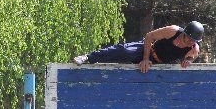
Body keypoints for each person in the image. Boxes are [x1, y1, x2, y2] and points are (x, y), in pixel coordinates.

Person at [73, 21, 204, 73]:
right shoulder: (172, 31)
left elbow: (191, 59)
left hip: (158, 64)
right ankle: (88, 57)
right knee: (124, 51)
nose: (190, 43)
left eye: (194, 41)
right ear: (184, 34)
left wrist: (188, 61)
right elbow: (149, 36)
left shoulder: (193, 49)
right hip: (147, 49)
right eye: (189, 39)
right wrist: (145, 58)